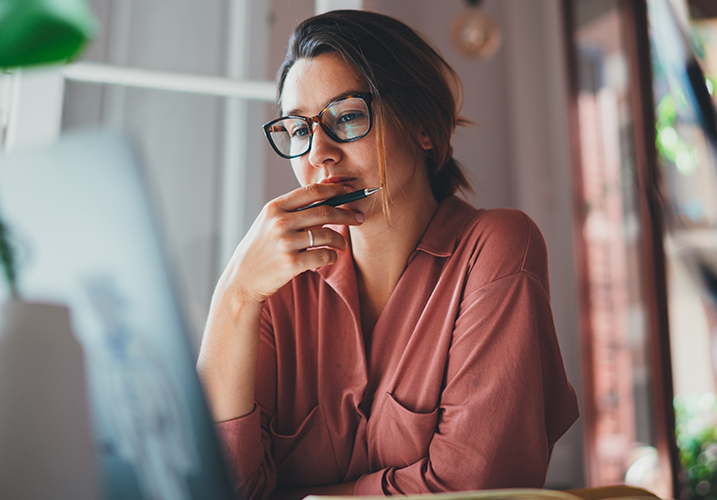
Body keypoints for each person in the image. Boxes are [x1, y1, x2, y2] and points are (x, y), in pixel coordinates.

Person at [197, 10, 578, 499]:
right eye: (297, 130)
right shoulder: (277, 283)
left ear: (422, 126)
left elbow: (472, 488)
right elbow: (217, 487)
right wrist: (235, 295)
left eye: (348, 116)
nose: (318, 153)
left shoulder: (496, 248)